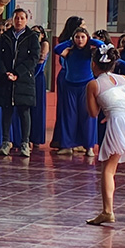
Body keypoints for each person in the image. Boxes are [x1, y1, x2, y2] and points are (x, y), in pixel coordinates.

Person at [85, 44, 125, 225]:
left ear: (94, 64)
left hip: (118, 121)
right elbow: (124, 101)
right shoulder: (123, 79)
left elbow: (93, 113)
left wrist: (105, 111)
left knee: (109, 167)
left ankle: (107, 211)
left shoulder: (93, 84)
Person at [0, 9, 41, 157]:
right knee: (6, 111)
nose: (19, 21)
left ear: (26, 20)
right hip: (6, 79)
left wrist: (17, 73)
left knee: (24, 112)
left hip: (24, 80)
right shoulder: (5, 36)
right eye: (16, 18)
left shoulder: (32, 37)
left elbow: (34, 58)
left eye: (22, 18)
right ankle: (6, 142)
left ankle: (25, 143)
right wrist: (5, 72)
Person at [53, 26, 102, 156]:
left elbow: (103, 45)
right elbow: (56, 49)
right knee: (69, 116)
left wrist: (90, 41)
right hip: (70, 86)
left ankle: (89, 146)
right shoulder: (69, 50)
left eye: (82, 37)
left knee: (87, 116)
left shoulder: (91, 52)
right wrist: (70, 42)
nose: (80, 40)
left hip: (86, 86)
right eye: (77, 37)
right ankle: (67, 145)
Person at [51, 16, 85, 149]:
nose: (84, 28)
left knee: (76, 110)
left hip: (75, 77)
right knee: (67, 111)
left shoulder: (82, 43)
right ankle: (65, 141)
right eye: (82, 25)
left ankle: (71, 140)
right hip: (67, 77)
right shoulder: (67, 44)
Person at [30, 25, 50, 147]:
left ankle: (36, 138)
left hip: (37, 77)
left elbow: (40, 61)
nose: (35, 36)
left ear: (43, 35)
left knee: (37, 108)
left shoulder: (44, 45)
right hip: (29, 76)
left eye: (38, 33)